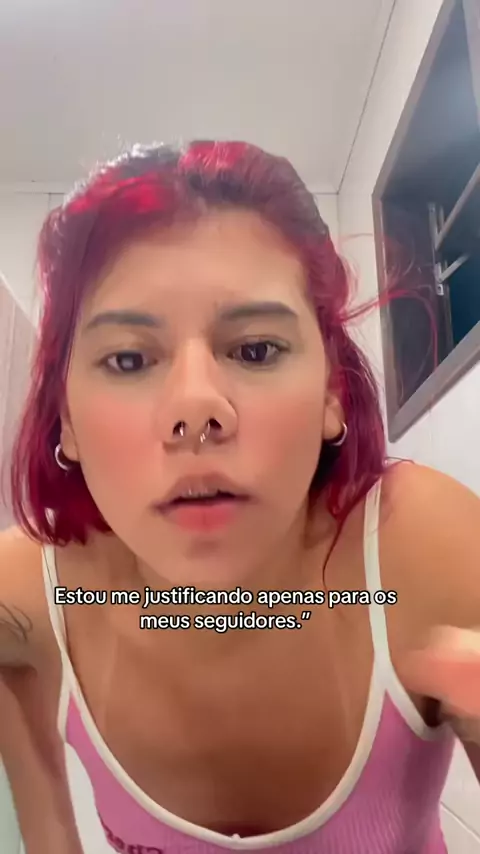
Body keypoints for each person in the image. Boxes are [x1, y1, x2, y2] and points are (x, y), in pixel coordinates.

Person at [1, 140, 480, 854]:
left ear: (332, 392)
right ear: (64, 419)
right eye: (128, 359)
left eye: (255, 350)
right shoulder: (32, 593)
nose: (196, 407)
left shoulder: (420, 546)